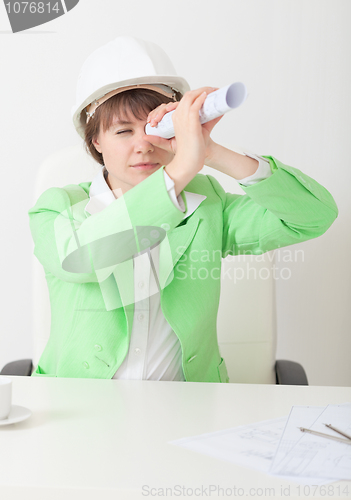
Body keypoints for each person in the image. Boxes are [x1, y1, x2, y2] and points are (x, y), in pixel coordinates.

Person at [28, 36, 338, 382]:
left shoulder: (206, 206)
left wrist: (210, 151)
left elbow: (313, 215)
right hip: (76, 411)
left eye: (154, 128)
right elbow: (79, 259)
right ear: (96, 141)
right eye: (123, 131)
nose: (143, 145)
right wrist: (179, 171)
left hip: (189, 411)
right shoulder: (58, 207)